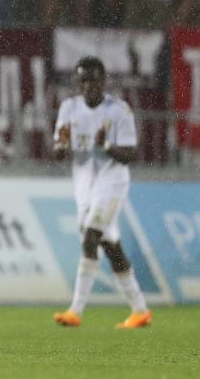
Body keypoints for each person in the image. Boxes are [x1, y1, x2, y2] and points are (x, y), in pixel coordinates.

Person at [52, 57, 152, 329]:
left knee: (90, 236)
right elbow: (59, 152)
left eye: (93, 79)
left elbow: (130, 154)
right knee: (111, 247)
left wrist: (106, 145)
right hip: (84, 187)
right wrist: (61, 146)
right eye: (83, 80)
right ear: (76, 82)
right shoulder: (69, 108)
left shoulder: (118, 111)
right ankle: (140, 310)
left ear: (103, 81)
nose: (88, 85)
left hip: (112, 184)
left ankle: (75, 310)